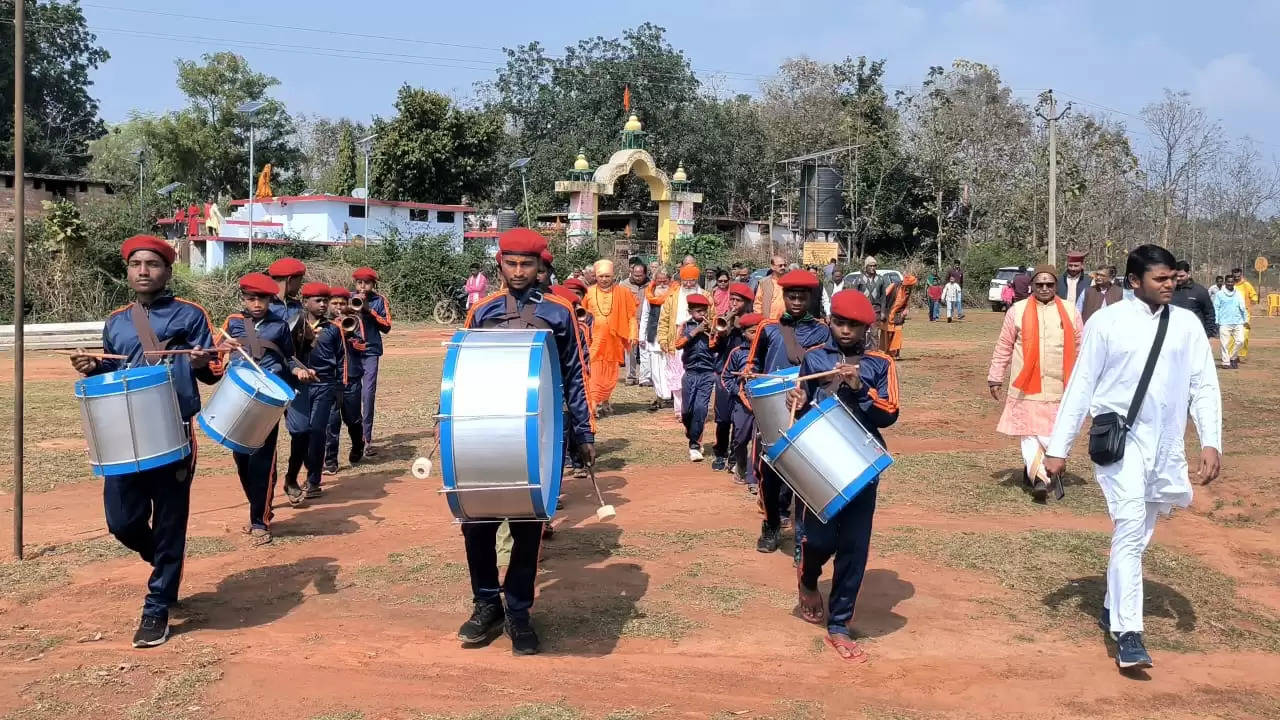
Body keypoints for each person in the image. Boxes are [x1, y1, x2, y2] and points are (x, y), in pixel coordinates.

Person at [1044, 244, 1220, 671]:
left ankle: (1111, 603)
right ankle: (1129, 632)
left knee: (1139, 535)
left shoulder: (1186, 326)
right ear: (1134, 281)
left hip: (1166, 449)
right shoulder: (1107, 323)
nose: (1169, 284)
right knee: (1127, 528)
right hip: (1121, 445)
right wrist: (1057, 448)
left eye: (1172, 278)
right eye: (1160, 279)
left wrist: (1211, 440)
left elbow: (1204, 385)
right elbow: (1081, 387)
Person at [69, 235, 218, 648]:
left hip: (171, 428)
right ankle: (164, 561)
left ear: (168, 271)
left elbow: (212, 371)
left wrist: (204, 362)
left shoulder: (190, 315)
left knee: (170, 521)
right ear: (128, 270)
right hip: (123, 432)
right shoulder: (117, 321)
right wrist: (92, 366)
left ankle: (157, 607)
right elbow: (111, 370)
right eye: (136, 264)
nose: (143, 271)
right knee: (122, 521)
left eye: (152, 264)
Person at [455, 228, 594, 656]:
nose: (518, 272)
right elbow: (463, 370)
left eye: (527, 264)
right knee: (476, 522)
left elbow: (575, 373)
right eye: (511, 264)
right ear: (500, 264)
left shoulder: (560, 311)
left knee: (527, 527)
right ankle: (485, 604)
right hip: (485, 428)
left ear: (540, 267)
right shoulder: (482, 311)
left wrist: (583, 433)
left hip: (539, 432)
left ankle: (518, 610)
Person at [786, 289, 898, 663]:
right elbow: (801, 402)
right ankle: (807, 578)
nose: (845, 330)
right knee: (816, 538)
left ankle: (839, 624)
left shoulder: (880, 363)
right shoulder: (815, 358)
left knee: (854, 545)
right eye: (839, 322)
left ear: (868, 327)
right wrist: (798, 402)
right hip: (819, 459)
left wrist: (858, 386)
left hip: (863, 465)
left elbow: (889, 412)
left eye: (854, 325)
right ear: (829, 321)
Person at [220, 272, 316, 546]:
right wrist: (223, 350)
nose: (256, 304)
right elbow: (212, 355)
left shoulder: (278, 326)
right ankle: (260, 507)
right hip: (238, 397)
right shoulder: (233, 322)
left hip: (267, 398)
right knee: (242, 460)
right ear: (244, 299)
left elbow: (288, 358)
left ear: (269, 300)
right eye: (251, 299)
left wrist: (298, 369)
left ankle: (259, 521)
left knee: (263, 460)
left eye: (261, 299)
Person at [746, 269, 831, 553]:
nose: (796, 301)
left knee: (803, 479)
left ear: (810, 298)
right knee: (768, 475)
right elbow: (752, 367)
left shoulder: (823, 331)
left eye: (802, 296)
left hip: (806, 411)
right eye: (791, 296)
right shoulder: (768, 328)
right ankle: (770, 524)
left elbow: (825, 372)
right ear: (784, 296)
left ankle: (801, 539)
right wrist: (753, 396)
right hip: (771, 414)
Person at [987, 266, 1083, 501]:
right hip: (1025, 386)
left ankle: (1046, 467)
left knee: (1053, 434)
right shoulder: (1016, 311)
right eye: (1039, 284)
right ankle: (1039, 478)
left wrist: (1085, 383)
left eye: (1049, 284)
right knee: (1029, 433)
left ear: (1055, 286)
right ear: (1032, 285)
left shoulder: (1070, 311)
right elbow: (1004, 346)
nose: (1044, 288)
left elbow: (1082, 348)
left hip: (1060, 385)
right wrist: (995, 376)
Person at [283, 283, 342, 503]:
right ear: (305, 301)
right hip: (298, 385)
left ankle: (314, 479)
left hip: (324, 385)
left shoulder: (333, 328)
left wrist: (339, 388)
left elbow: (341, 360)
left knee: (318, 431)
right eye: (317, 300)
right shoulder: (292, 325)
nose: (323, 304)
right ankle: (292, 476)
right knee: (300, 433)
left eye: (325, 300)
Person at [583, 259, 637, 417]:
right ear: (595, 276)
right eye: (601, 276)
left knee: (611, 374)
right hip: (594, 340)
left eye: (607, 276)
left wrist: (633, 334)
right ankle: (593, 403)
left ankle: (605, 400)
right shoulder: (589, 292)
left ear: (613, 276)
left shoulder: (623, 292)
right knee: (594, 372)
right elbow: (580, 315)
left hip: (614, 340)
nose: (604, 279)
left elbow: (631, 316)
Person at [324, 286, 367, 474]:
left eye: (342, 303)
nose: (338, 307)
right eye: (334, 303)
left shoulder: (355, 320)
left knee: (353, 419)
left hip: (351, 378)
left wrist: (348, 334)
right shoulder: (322, 324)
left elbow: (363, 346)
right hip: (330, 380)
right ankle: (330, 461)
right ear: (327, 305)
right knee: (331, 422)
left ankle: (358, 445)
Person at [711, 282, 753, 470]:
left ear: (747, 302)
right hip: (723, 372)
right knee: (722, 417)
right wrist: (722, 331)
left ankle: (735, 456)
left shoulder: (752, 322)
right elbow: (715, 347)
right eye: (732, 299)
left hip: (743, 374)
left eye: (738, 300)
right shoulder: (724, 320)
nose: (734, 304)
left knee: (739, 418)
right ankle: (720, 453)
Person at [352, 267, 391, 456]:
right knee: (351, 396)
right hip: (351, 352)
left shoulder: (379, 300)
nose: (362, 286)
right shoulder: (348, 298)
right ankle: (355, 438)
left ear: (373, 284)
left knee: (368, 396)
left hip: (371, 352)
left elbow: (387, 326)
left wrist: (369, 311)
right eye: (359, 282)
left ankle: (366, 440)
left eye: (366, 282)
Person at [659, 265, 706, 419]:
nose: (687, 284)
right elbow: (664, 320)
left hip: (698, 343)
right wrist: (663, 339)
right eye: (685, 280)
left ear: (697, 279)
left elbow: (712, 318)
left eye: (691, 281)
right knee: (676, 377)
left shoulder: (705, 296)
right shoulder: (673, 297)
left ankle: (694, 409)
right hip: (676, 340)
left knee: (695, 376)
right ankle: (680, 411)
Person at [723, 313, 763, 491]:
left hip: (762, 403)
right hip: (742, 403)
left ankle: (753, 478)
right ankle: (739, 464)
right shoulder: (737, 353)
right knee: (739, 439)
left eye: (759, 332)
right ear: (744, 333)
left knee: (758, 440)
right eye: (752, 332)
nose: (756, 336)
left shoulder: (768, 351)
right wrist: (738, 391)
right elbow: (726, 377)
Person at [676, 293, 716, 462]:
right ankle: (691, 430)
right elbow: (677, 344)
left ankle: (694, 445)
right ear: (690, 311)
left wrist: (711, 332)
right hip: (690, 372)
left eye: (704, 311)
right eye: (699, 311)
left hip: (707, 373)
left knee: (700, 408)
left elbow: (717, 346)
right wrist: (695, 331)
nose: (702, 315)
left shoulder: (713, 326)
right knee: (686, 411)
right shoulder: (685, 325)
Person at [643, 269, 675, 412]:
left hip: (671, 336)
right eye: (659, 280)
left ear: (669, 280)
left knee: (669, 366)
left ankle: (669, 396)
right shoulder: (649, 294)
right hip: (653, 335)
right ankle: (661, 396)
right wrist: (641, 337)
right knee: (655, 368)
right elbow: (645, 316)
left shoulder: (675, 294)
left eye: (665, 280)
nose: (662, 283)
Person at [619, 260, 650, 387]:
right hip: (629, 321)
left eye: (640, 275)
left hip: (646, 322)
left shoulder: (650, 284)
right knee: (630, 350)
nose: (637, 277)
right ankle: (630, 376)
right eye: (635, 275)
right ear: (631, 273)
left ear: (645, 274)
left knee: (645, 349)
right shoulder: (624, 285)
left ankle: (645, 377)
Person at [1170, 261, 1217, 338]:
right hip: (1173, 335)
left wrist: (1208, 334)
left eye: (1181, 276)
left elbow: (1209, 313)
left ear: (1189, 273)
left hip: (1195, 336)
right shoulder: (1169, 290)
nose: (1178, 278)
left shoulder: (1200, 291)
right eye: (1176, 276)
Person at [1213, 274, 1248, 370]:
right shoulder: (1219, 294)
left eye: (1232, 282)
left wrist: (1245, 319)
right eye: (1228, 282)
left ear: (1234, 283)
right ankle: (1226, 362)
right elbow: (1216, 308)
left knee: (1240, 341)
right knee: (1225, 344)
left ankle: (1233, 357)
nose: (1230, 283)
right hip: (1224, 322)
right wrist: (1216, 321)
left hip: (1238, 321)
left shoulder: (1238, 293)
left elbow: (1243, 307)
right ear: (1225, 282)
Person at [879, 275, 918, 359]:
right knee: (888, 333)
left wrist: (906, 310)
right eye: (910, 285)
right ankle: (887, 353)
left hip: (898, 314)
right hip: (888, 313)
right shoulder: (894, 286)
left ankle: (896, 353)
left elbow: (907, 302)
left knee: (898, 332)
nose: (911, 287)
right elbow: (883, 296)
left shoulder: (908, 290)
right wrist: (881, 311)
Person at [1231, 268, 1258, 361]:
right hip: (1232, 313)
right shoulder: (1230, 285)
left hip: (1245, 313)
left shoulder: (1246, 285)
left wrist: (1254, 298)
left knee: (1245, 334)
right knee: (1232, 335)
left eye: (1238, 276)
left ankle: (1241, 353)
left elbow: (1253, 294)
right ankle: (1233, 355)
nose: (1237, 278)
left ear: (1241, 275)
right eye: (1235, 277)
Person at [753, 255, 788, 320]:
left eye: (784, 265)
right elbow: (758, 304)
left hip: (787, 322)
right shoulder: (764, 282)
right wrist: (759, 320)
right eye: (780, 265)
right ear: (772, 267)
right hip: (768, 322)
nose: (783, 267)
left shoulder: (789, 281)